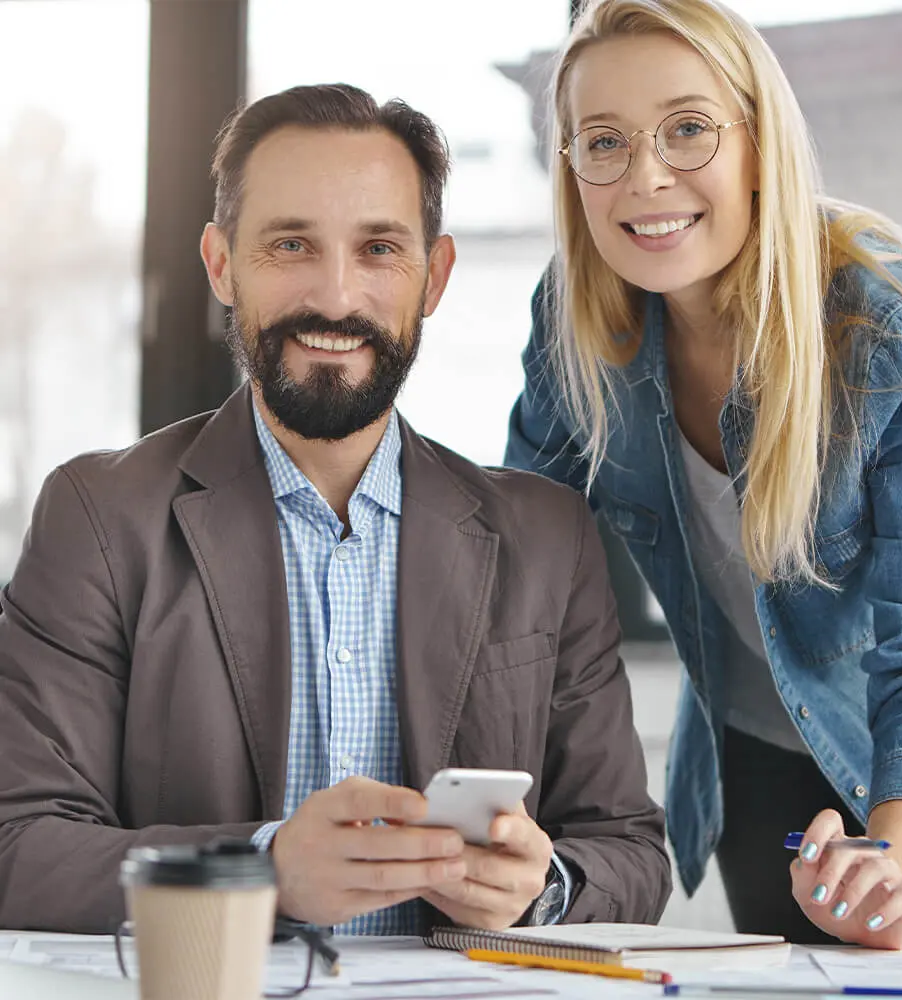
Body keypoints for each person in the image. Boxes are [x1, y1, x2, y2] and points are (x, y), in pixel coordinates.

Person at [0, 83, 671, 935]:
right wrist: (263, 870)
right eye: (290, 245)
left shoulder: (546, 536)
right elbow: (17, 847)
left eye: (380, 248)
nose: (337, 297)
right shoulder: (98, 519)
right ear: (220, 266)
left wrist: (544, 887)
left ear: (434, 277)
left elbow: (631, 855)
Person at [505, 0, 902, 950]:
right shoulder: (576, 319)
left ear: (759, 141)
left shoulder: (894, 331)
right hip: (756, 757)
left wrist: (892, 861)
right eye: (603, 141)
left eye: (687, 129)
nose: (646, 177)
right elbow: (518, 563)